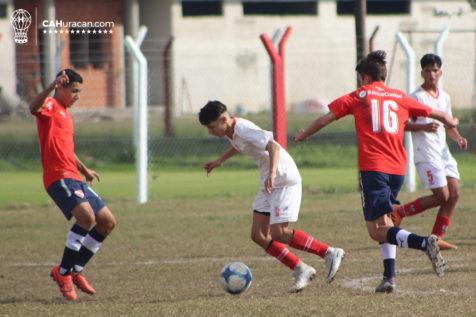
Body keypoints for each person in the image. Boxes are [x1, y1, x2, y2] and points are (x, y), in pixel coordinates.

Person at [294, 51, 458, 293]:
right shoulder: (399, 96)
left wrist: (304, 134)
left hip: (374, 168)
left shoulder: (360, 95)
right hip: (397, 169)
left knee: (376, 230)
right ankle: (389, 277)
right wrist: (452, 123)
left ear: (364, 78)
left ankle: (424, 243)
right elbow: (441, 115)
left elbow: (326, 119)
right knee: (387, 223)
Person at [198, 101, 345, 293]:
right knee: (258, 235)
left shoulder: (242, 128)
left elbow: (273, 146)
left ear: (224, 119)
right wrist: (220, 160)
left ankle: (328, 252)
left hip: (282, 178)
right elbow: (241, 145)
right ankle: (301, 268)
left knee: (278, 232)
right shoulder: (231, 130)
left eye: (211, 127)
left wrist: (273, 173)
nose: (210, 132)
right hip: (269, 180)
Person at [30, 69, 117, 301]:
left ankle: (76, 269)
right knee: (86, 218)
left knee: (107, 222)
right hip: (58, 177)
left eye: (79, 91)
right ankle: (63, 272)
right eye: (74, 91)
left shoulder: (66, 115)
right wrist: (50, 85)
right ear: (60, 87)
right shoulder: (49, 106)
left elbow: (66, 149)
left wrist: (84, 169)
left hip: (73, 176)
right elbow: (32, 108)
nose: (77, 96)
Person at [391, 54, 467, 250]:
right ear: (422, 72)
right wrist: (422, 128)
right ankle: (400, 211)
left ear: (440, 72)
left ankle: (435, 239)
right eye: (427, 70)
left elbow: (448, 124)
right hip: (425, 152)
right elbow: (401, 123)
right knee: (442, 196)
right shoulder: (416, 97)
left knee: (455, 193)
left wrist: (458, 138)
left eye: (435, 70)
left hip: (443, 152)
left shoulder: (445, 97)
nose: (431, 74)